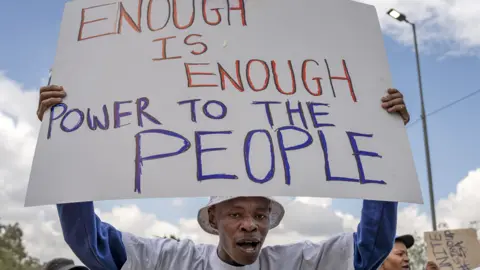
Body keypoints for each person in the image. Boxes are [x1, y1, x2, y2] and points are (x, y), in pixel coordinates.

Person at [37, 85, 411, 270]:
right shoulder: (174, 260)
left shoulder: (293, 262)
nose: (250, 226)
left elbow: (369, 248)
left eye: (260, 216)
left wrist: (385, 142)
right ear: (213, 218)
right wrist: (67, 144)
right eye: (236, 214)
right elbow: (93, 245)